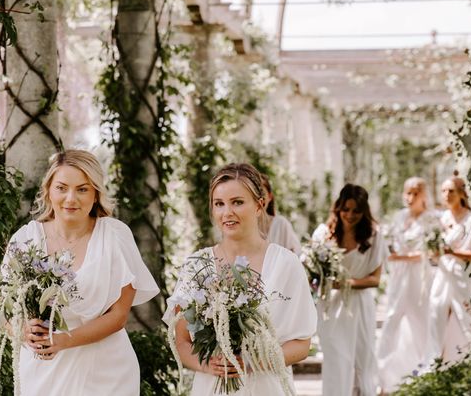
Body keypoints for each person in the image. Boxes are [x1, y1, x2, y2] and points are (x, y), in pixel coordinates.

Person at [9, 149, 159, 396]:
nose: (71, 199)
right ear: (48, 190)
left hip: (106, 373)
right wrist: (22, 329)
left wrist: (64, 340)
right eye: (62, 188)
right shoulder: (26, 238)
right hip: (43, 371)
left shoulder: (114, 235)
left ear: (96, 194)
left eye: (82, 189)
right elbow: (3, 307)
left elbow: (119, 316)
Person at [165, 162, 317, 395]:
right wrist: (207, 364)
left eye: (237, 202)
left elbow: (301, 345)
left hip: (267, 387)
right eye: (219, 204)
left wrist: (251, 363)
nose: (227, 213)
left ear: (259, 205)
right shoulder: (197, 265)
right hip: (211, 388)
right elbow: (182, 340)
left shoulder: (286, 264)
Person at [313, 183, 385, 396]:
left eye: (356, 210)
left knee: (362, 360)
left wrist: (345, 283)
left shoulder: (373, 235)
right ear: (338, 208)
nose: (350, 215)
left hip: (360, 306)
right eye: (346, 209)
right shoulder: (324, 234)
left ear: (364, 211)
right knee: (336, 360)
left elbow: (375, 279)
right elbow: (313, 275)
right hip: (330, 307)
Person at [376, 177, 439, 394]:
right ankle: (382, 377)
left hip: (420, 278)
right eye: (407, 192)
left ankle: (426, 370)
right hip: (398, 277)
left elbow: (431, 252)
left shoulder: (432, 219)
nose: (410, 197)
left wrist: (402, 257)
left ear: (423, 195)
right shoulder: (399, 217)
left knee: (420, 322)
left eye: (415, 193)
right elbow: (390, 246)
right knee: (391, 319)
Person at [423, 172, 471, 366]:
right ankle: (435, 363)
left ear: (462, 194)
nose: (447, 195)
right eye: (443, 191)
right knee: (436, 313)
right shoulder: (442, 218)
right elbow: (435, 252)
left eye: (451, 191)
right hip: (442, 273)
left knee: (467, 319)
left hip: (463, 274)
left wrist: (451, 251)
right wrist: (434, 250)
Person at [260, 173, 302, 255]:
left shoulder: (281, 224)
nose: (259, 199)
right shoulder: (242, 227)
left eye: (262, 193)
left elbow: (296, 254)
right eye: (254, 194)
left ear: (270, 197)